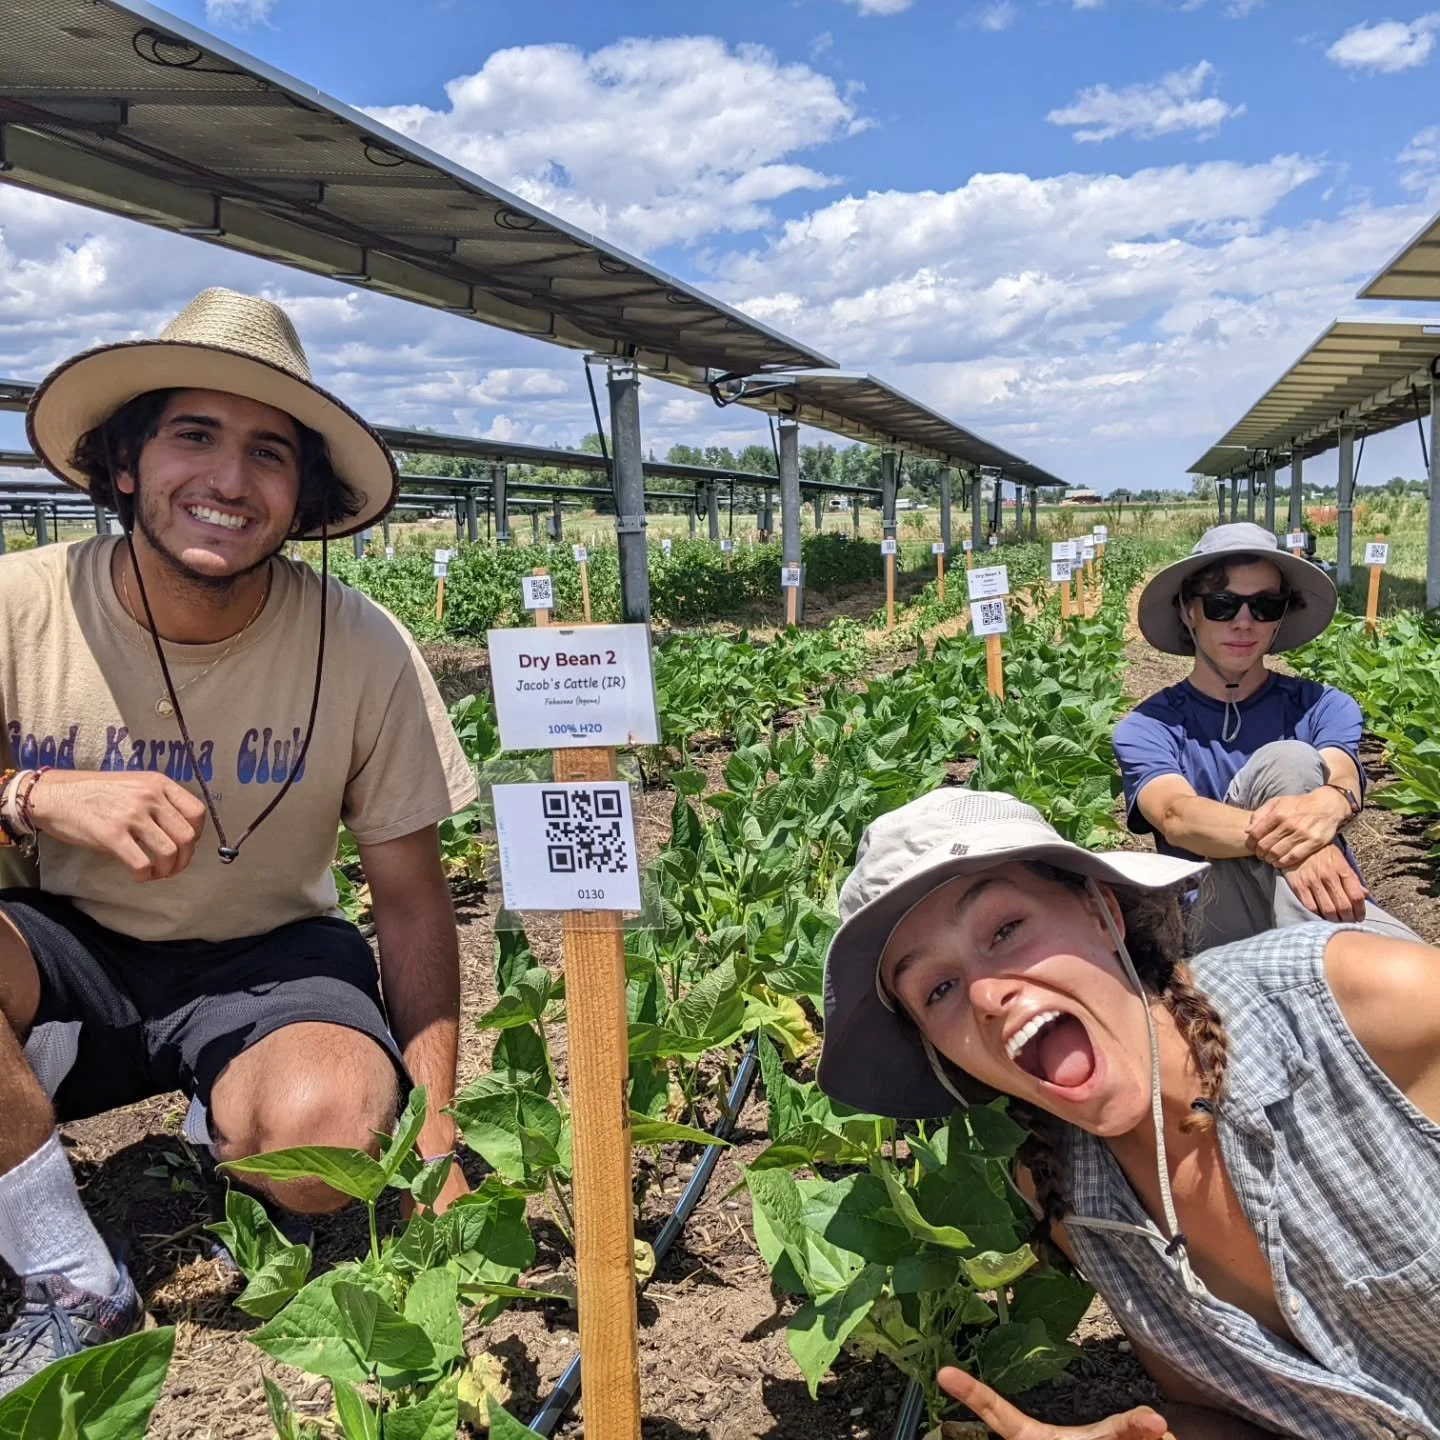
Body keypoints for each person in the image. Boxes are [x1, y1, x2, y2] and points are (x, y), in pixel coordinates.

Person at [0, 288, 478, 1392]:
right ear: (126, 463)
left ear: (302, 495)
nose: (228, 479)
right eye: (194, 435)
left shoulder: (361, 646)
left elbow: (411, 899)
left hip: (269, 960)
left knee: (325, 1152)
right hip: (61, 952)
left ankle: (226, 1116)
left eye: (269, 453)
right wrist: (34, 793)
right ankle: (68, 1272)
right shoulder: (20, 606)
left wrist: (437, 1133)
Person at [819, 788, 1440, 1440]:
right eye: (939, 988)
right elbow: (1234, 1412)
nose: (986, 996)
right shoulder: (1066, 1193)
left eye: (1005, 930)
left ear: (1102, 912)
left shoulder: (1366, 1005)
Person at [1114, 522, 1417, 950]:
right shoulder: (1149, 725)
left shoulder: (1324, 705)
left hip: (1323, 899)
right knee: (1289, 758)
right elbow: (1177, 817)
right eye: (1222, 605)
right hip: (1216, 916)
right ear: (1188, 611)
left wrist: (1336, 799)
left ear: (1281, 615)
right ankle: (1339, 959)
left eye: (1265, 605)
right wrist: (1306, 844)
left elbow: (1342, 777)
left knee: (1291, 760)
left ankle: (1322, 955)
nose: (1244, 622)